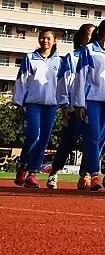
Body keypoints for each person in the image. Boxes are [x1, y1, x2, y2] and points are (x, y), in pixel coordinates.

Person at [70, 18, 105, 191]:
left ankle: (85, 174)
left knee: (100, 140)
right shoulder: (89, 50)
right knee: (91, 137)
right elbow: (81, 77)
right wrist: (79, 104)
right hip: (91, 100)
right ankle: (95, 173)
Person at [12, 29, 63, 189]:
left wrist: (64, 103)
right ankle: (22, 166)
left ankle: (32, 173)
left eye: (48, 38)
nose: (45, 41)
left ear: (54, 41)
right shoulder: (30, 58)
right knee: (33, 135)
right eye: (42, 38)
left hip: (51, 105)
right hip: (32, 103)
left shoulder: (59, 62)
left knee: (43, 140)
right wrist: (19, 102)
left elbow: (63, 84)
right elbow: (22, 80)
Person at [49, 23, 96, 190]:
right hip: (74, 107)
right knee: (69, 141)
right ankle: (54, 171)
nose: (92, 37)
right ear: (82, 37)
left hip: (94, 106)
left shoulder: (98, 55)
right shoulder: (72, 57)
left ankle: (86, 175)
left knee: (92, 142)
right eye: (89, 34)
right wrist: (65, 105)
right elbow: (64, 81)